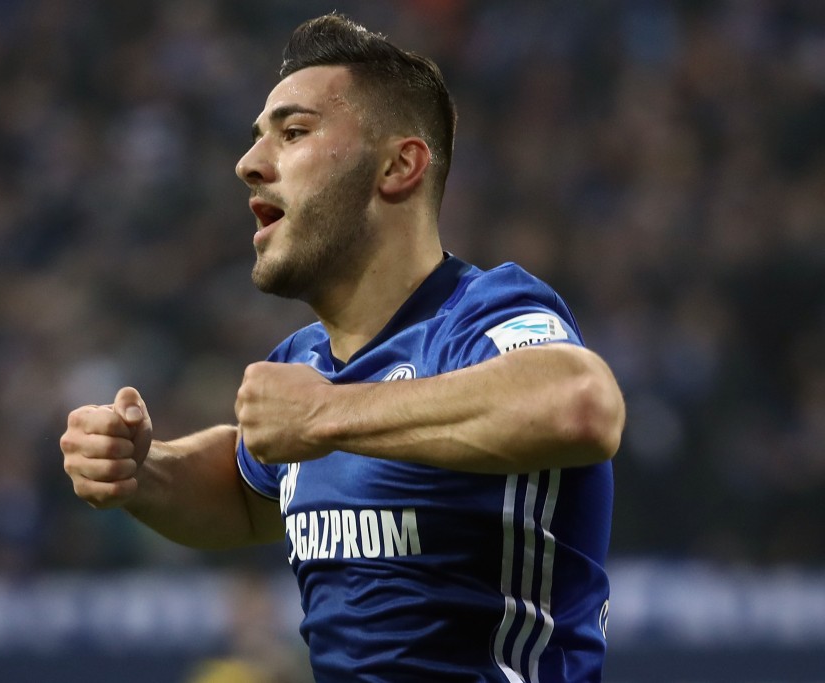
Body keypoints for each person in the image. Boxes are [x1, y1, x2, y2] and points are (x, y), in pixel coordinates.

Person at [60, 13, 625, 683]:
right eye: (257, 139)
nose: (248, 164)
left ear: (398, 165)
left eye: (293, 132)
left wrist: (327, 415)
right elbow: (244, 496)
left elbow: (582, 406)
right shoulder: (304, 362)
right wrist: (141, 470)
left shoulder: (482, 317)